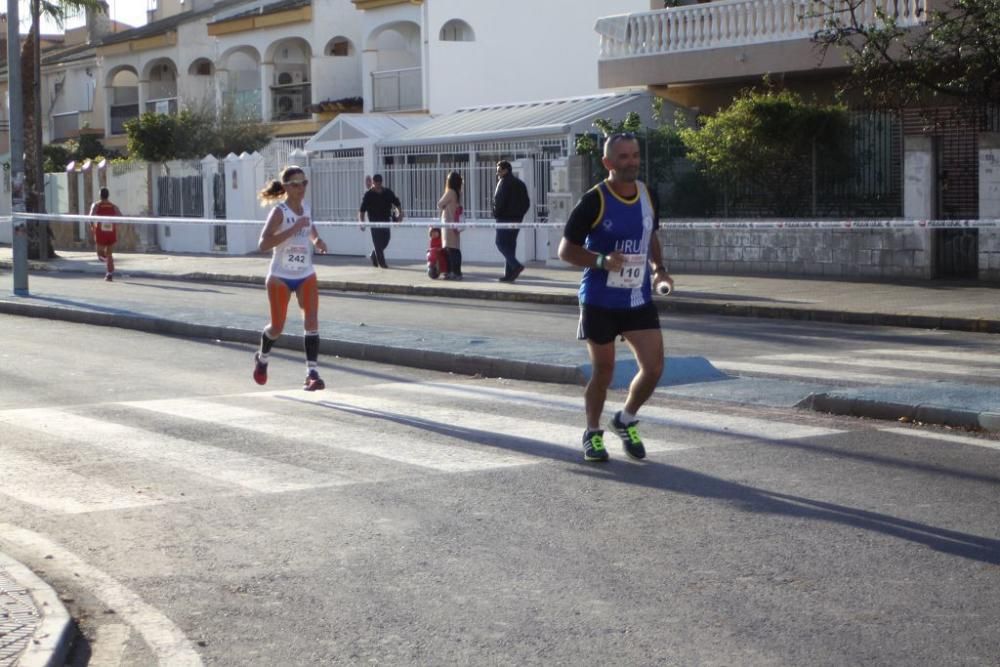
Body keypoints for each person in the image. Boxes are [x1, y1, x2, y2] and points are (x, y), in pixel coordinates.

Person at [558, 133, 674, 462]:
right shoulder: (594, 200)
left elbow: (649, 234)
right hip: (599, 299)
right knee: (604, 371)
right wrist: (601, 260)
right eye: (623, 157)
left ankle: (625, 419)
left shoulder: (648, 195)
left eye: (635, 155)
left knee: (653, 368)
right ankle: (592, 432)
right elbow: (565, 250)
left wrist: (659, 268)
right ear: (608, 163)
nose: (631, 162)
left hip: (636, 299)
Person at [252, 166, 329, 391]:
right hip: (280, 276)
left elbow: (310, 227)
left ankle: (312, 373)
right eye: (295, 184)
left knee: (312, 320)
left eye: (304, 183)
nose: (300, 188)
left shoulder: (306, 207)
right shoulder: (279, 212)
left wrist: (317, 241)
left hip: (305, 273)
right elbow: (263, 244)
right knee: (277, 327)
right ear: (286, 187)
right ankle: (262, 358)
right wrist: (293, 228)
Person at [493, 160, 530, 282]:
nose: (497, 173)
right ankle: (510, 274)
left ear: (505, 170)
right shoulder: (520, 183)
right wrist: (519, 215)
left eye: (499, 170)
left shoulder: (503, 183)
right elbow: (526, 203)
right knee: (510, 245)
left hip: (504, 219)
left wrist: (496, 214)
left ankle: (515, 266)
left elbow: (499, 202)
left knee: (500, 243)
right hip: (516, 219)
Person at [358, 174, 402, 269]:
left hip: (386, 221)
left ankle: (374, 254)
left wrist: (400, 215)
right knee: (377, 243)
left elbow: (397, 202)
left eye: (379, 183)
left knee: (386, 240)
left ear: (381, 183)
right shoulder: (368, 195)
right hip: (374, 223)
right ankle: (382, 264)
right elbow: (362, 210)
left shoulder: (387, 192)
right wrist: (361, 222)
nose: (378, 186)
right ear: (373, 183)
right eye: (376, 184)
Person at [89, 187, 122, 281]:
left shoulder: (96, 205)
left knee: (100, 255)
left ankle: (110, 266)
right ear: (108, 195)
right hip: (111, 232)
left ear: (100, 195)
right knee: (109, 253)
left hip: (100, 232)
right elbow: (120, 217)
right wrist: (114, 225)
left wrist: (92, 227)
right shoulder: (113, 206)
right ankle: (109, 274)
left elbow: (90, 217)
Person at [436, 171, 464, 280]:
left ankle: (453, 272)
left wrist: (444, 207)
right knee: (455, 248)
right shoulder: (458, 192)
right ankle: (456, 272)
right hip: (455, 223)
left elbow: (439, 204)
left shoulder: (450, 192)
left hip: (448, 222)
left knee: (450, 249)